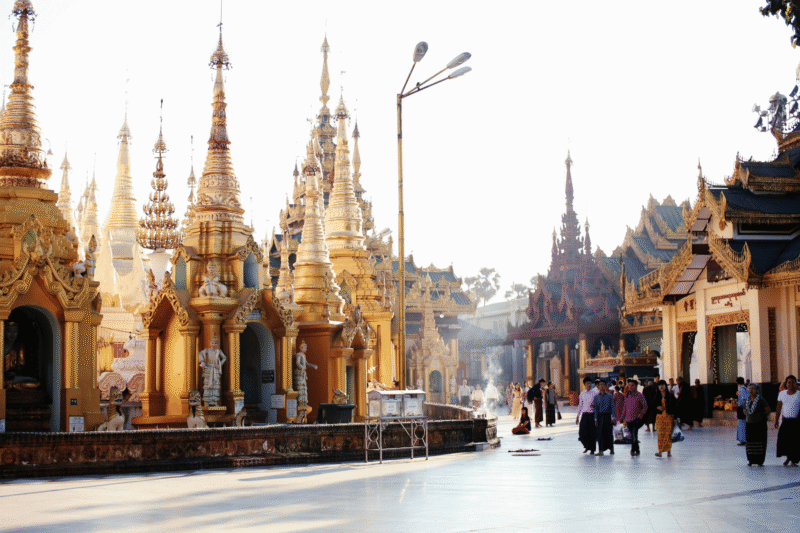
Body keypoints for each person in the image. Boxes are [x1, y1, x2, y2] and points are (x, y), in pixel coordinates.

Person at [775, 375, 800, 467]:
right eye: (789, 382)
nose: (791, 384)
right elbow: (779, 407)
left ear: (796, 384)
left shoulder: (798, 394)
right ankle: (788, 457)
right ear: (786, 384)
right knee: (784, 441)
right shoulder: (782, 394)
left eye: (793, 382)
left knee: (795, 441)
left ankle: (794, 460)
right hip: (785, 421)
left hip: (796, 421)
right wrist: (776, 420)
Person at [619, 379, 648, 456]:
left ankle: (632, 450)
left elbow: (645, 406)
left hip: (636, 420)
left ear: (636, 386)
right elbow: (625, 407)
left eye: (633, 385)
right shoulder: (627, 395)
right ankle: (637, 450)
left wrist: (640, 415)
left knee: (634, 435)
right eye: (629, 386)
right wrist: (622, 418)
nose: (631, 387)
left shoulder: (639, 395)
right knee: (632, 436)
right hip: (628, 419)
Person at [744, 383, 771, 466]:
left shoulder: (760, 399)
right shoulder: (747, 400)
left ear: (756, 390)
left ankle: (759, 460)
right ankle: (751, 460)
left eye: (753, 389)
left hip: (759, 425)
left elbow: (768, 410)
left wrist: (761, 417)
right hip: (750, 425)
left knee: (759, 443)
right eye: (749, 389)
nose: (751, 391)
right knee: (750, 443)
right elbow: (744, 410)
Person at [198, 334, 227, 406]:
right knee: (207, 385)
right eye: (213, 343)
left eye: (215, 343)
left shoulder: (218, 351)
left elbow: (224, 358)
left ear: (217, 344)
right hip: (208, 369)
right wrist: (202, 361)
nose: (214, 344)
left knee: (215, 386)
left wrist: (219, 364)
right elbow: (200, 353)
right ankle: (207, 402)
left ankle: (214, 402)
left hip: (216, 370)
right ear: (210, 343)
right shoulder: (207, 350)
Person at [654, 380, 677, 458]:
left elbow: (675, 407)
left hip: (669, 417)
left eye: (663, 385)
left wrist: (675, 418)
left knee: (668, 435)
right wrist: (657, 407)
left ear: (665, 386)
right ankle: (660, 452)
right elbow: (652, 406)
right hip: (660, 418)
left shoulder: (670, 395)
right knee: (660, 435)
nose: (661, 387)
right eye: (659, 385)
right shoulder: (657, 396)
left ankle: (668, 452)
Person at [592, 379, 615, 456]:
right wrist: (595, 419)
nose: (601, 386)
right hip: (599, 417)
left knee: (609, 433)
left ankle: (611, 449)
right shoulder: (596, 397)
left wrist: (613, 418)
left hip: (607, 416)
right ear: (598, 386)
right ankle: (601, 450)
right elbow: (595, 409)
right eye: (600, 385)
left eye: (603, 384)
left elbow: (613, 407)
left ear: (606, 386)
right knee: (600, 434)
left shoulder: (610, 396)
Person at [576, 378, 597, 454]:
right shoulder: (582, 394)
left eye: (590, 383)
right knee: (582, 433)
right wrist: (577, 416)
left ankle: (592, 449)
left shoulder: (594, 393)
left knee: (591, 433)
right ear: (584, 385)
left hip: (592, 415)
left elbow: (597, 404)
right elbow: (580, 405)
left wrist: (594, 406)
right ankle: (586, 446)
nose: (589, 385)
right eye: (587, 383)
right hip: (584, 415)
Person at [736, 377, 747, 445]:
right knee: (743, 423)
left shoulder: (742, 389)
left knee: (742, 424)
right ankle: (743, 439)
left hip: (742, 407)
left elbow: (744, 399)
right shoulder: (745, 388)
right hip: (743, 407)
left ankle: (743, 440)